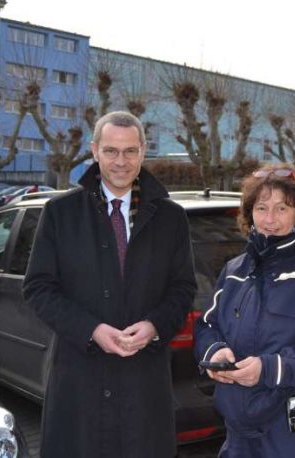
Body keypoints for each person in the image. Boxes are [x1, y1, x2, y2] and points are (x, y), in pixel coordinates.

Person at [23, 111, 196, 457]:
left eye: (130, 151)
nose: (121, 161)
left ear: (143, 152)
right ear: (94, 150)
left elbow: (183, 289)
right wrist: (91, 330)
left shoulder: (171, 217)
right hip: (79, 382)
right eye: (111, 151)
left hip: (144, 383)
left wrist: (154, 325)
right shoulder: (60, 213)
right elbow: (38, 288)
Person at [194, 164, 295, 457]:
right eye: (261, 208)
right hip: (238, 434)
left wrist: (269, 369)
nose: (270, 219)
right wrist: (215, 352)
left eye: (282, 208)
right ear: (249, 214)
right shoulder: (235, 270)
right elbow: (207, 326)